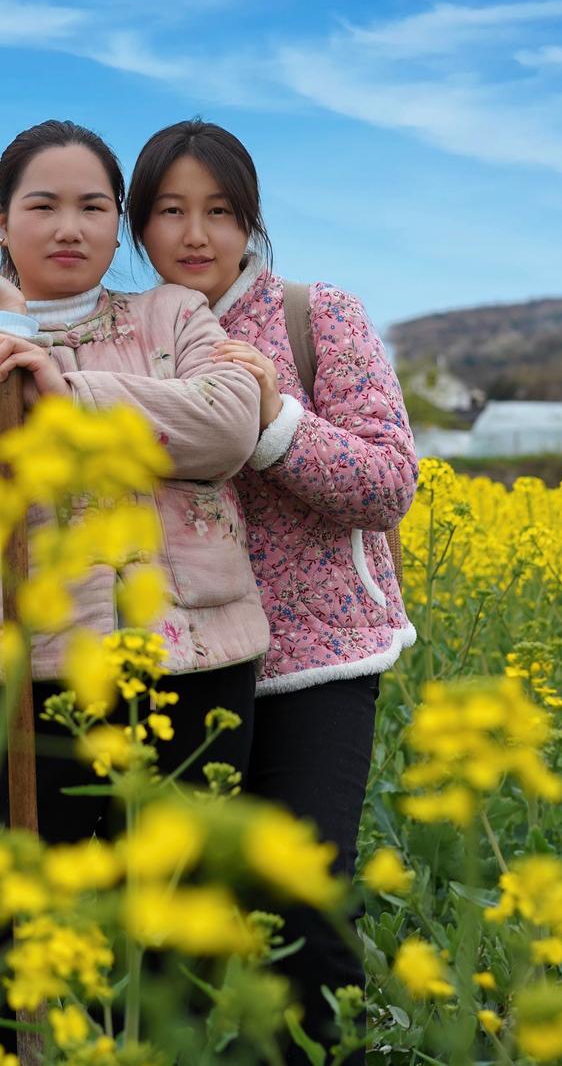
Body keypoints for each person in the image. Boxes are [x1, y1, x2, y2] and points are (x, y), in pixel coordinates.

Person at [0, 118, 269, 953]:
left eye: (93, 206)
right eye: (42, 205)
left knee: (178, 932)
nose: (70, 227)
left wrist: (63, 392)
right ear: (0, 221)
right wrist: (9, 334)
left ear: (120, 224)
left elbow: (226, 426)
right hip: (45, 670)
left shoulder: (175, 315)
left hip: (195, 659)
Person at [126, 118, 418, 1062]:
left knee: (304, 910)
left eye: (220, 211)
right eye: (171, 211)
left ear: (252, 224)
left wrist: (273, 421)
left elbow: (387, 482)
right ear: (139, 228)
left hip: (316, 662)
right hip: (180, 662)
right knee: (165, 927)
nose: (196, 234)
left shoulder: (316, 315)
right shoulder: (126, 338)